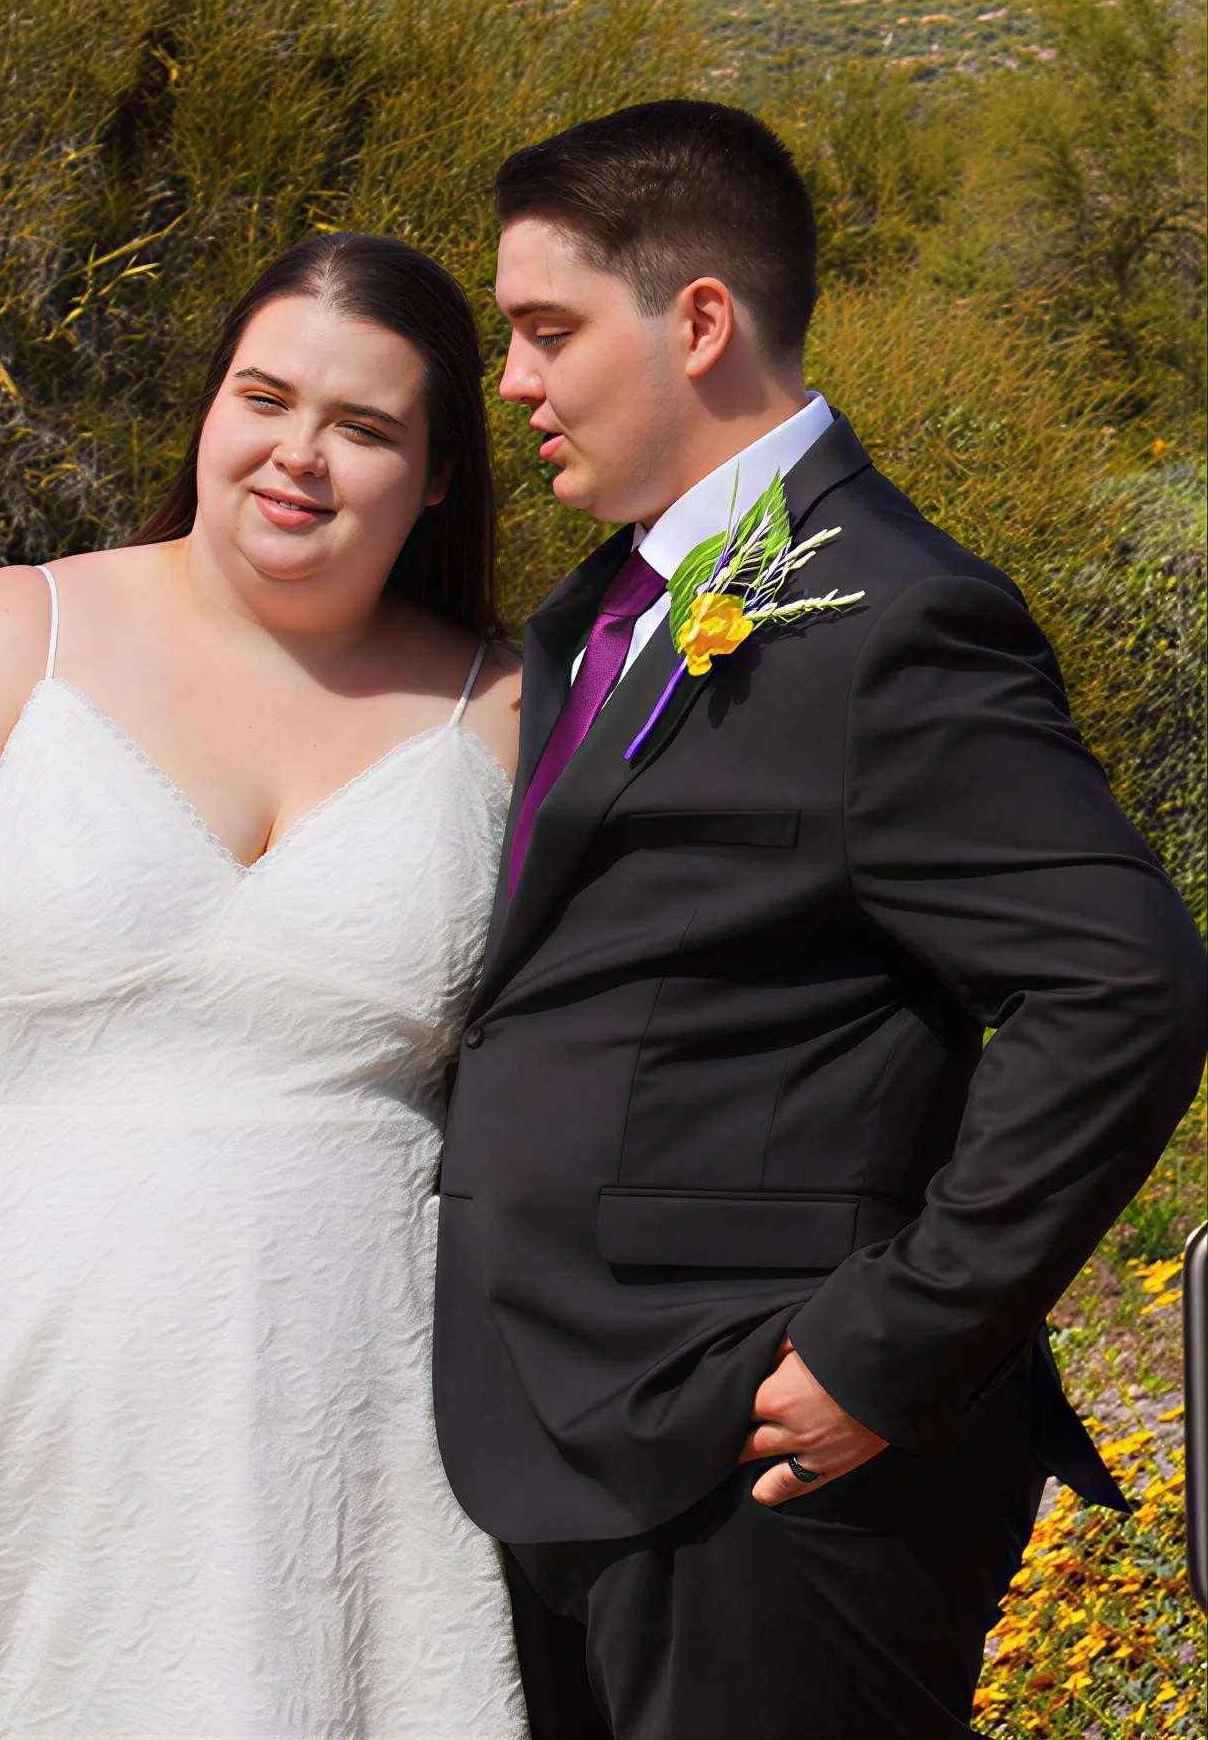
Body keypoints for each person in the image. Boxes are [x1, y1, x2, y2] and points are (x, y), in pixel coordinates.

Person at [432, 99, 1207, 1740]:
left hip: (770, 1468)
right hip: (563, 1446)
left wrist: (890, 1345)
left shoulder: (901, 615)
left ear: (698, 320)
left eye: (546, 329)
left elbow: (1119, 987)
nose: (513, 382)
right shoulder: (596, 613)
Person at [0, 234, 529, 1740]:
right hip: (8, 1410)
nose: (299, 456)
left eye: (365, 427)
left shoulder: (511, 715)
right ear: (207, 409)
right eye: (264, 399)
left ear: (442, 473)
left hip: (345, 1454)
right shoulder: (19, 634)